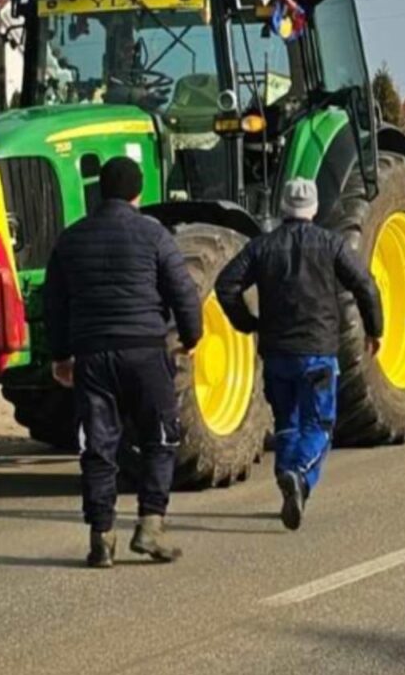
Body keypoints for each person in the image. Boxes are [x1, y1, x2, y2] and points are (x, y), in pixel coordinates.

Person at [45, 157, 202, 568]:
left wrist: (61, 356)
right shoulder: (155, 235)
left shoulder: (71, 239)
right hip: (146, 352)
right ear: (138, 193)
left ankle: (102, 537)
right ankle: (150, 526)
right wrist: (192, 336)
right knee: (160, 438)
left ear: (100, 191)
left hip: (93, 356)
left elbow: (54, 305)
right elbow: (182, 290)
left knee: (98, 446)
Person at [214, 178, 384, 531]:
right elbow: (364, 285)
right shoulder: (331, 244)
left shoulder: (262, 247)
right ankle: (300, 472)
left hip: (276, 353)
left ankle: (290, 483)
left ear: (283, 208)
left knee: (286, 422)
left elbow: (225, 284)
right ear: (314, 209)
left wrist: (247, 322)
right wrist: (374, 329)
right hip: (318, 352)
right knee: (319, 424)